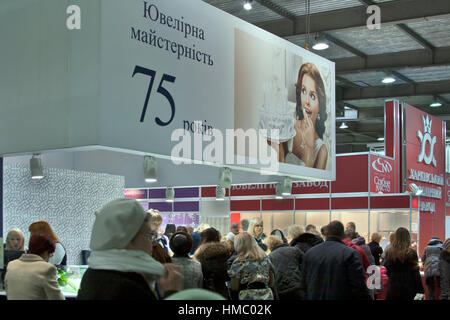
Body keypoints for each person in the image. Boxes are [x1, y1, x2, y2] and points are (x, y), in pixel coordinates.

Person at [77, 198, 183, 300]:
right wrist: (171, 293)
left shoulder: (91, 274)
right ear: (127, 239)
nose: (152, 242)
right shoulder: (129, 287)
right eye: (148, 235)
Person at [299, 221, 371, 300]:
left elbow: (303, 284)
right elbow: (358, 285)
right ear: (342, 234)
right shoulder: (350, 254)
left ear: (326, 234)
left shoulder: (310, 253)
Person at [290, 63, 328, 169]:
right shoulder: (289, 128)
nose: (306, 101)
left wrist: (309, 147)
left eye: (312, 96)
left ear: (320, 103)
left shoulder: (321, 150)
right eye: (303, 91)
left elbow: (311, 184)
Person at [5, 233, 64, 300]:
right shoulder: (47, 269)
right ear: (45, 252)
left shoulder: (11, 265)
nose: (50, 257)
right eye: (50, 254)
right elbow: (57, 298)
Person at [228, 233, 277, 300]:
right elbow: (271, 283)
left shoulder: (239, 262)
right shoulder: (266, 259)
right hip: (266, 297)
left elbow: (234, 287)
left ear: (239, 245)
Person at [383, 227, 424, 300]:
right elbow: (416, 273)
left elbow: (386, 269)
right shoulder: (412, 253)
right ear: (408, 238)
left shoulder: (389, 252)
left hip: (393, 286)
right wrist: (420, 290)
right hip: (409, 287)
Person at [194, 228, 231, 298]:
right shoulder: (224, 254)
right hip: (222, 292)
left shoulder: (200, 256)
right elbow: (227, 276)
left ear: (203, 239)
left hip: (204, 293)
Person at [266, 235, 303, 300]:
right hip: (296, 284)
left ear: (269, 246)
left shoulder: (270, 256)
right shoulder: (294, 250)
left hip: (281, 289)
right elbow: (304, 263)